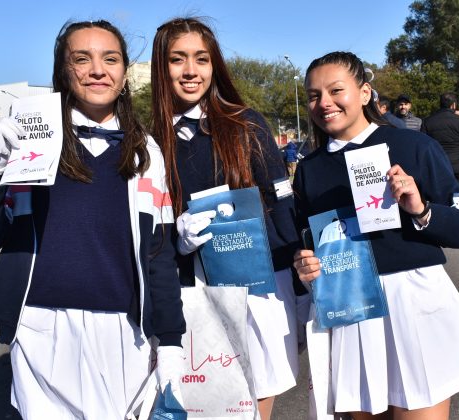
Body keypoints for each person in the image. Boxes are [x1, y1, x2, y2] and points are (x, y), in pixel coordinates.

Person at [0, 20, 186, 419]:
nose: (98, 70)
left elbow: (157, 254)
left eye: (110, 59)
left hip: (123, 333)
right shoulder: (27, 141)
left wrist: (171, 339)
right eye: (82, 59)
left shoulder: (146, 152)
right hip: (41, 327)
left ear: (124, 73)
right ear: (63, 71)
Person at [293, 51, 459, 419]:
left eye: (336, 90)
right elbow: (308, 244)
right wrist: (305, 268)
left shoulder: (414, 147)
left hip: (413, 303)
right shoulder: (309, 170)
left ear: (365, 93)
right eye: (314, 95)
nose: (325, 103)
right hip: (352, 308)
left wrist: (420, 208)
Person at [150, 17, 301, 420]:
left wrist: (299, 283)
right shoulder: (148, 137)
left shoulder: (246, 123)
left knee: (255, 394)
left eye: (201, 59)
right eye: (177, 59)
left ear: (214, 64)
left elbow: (280, 201)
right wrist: (176, 240)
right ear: (160, 66)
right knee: (199, 398)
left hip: (257, 286)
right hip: (188, 288)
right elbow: (145, 225)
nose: (190, 71)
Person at [421, 93, 459, 183]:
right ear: (453, 105)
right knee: (456, 194)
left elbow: (423, 144)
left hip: (436, 164)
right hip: (456, 165)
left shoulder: (428, 121)